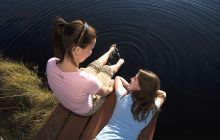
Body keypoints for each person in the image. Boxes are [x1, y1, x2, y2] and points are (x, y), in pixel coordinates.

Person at [46, 17, 124, 116]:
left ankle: (110, 51)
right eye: (90, 49)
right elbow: (107, 92)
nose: (91, 53)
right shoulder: (87, 81)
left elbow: (83, 80)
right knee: (106, 70)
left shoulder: (51, 62)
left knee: (94, 66)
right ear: (77, 50)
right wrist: (112, 84)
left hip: (69, 97)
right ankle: (120, 62)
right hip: (85, 110)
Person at [95, 69, 166, 140]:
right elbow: (163, 94)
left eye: (135, 79)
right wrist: (148, 91)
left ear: (140, 87)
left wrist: (128, 86)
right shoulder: (153, 107)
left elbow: (118, 78)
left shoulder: (123, 97)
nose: (131, 78)